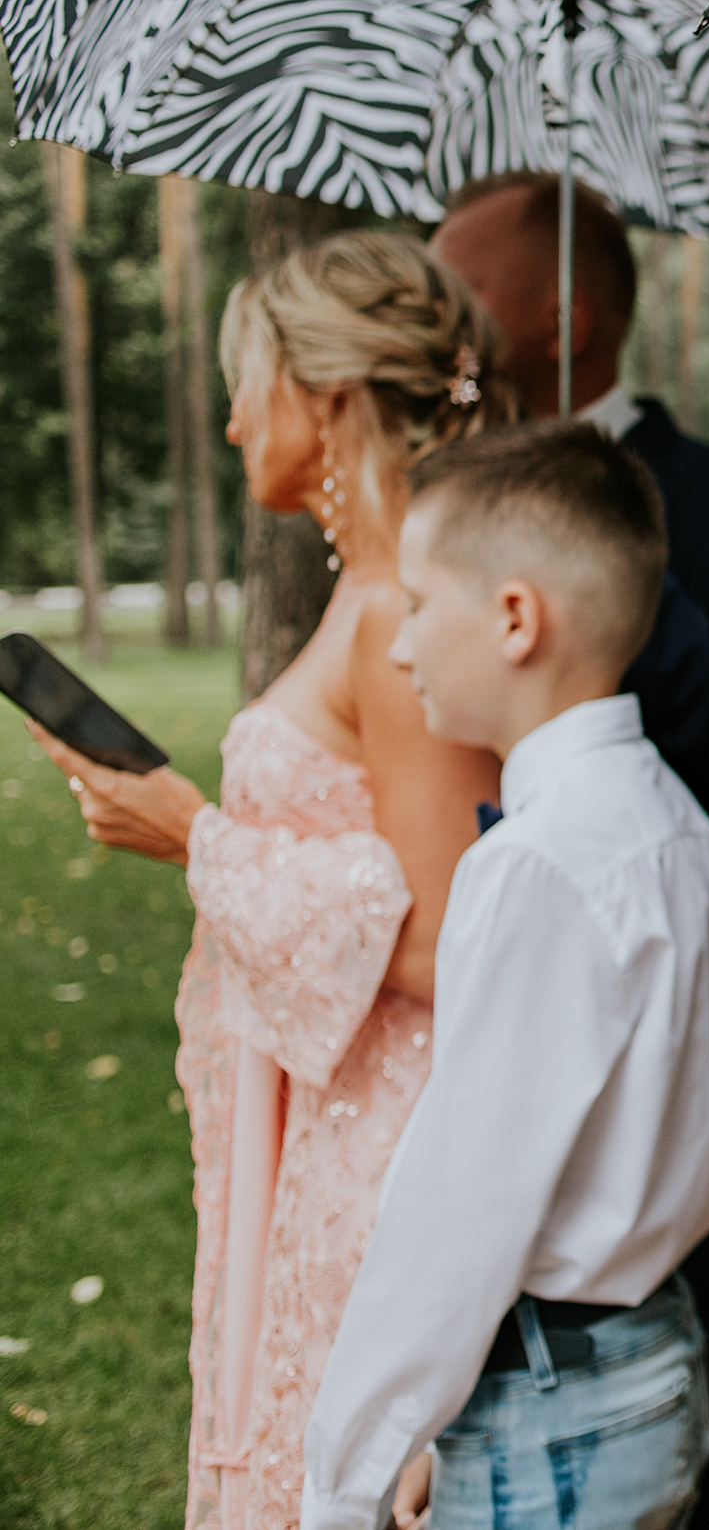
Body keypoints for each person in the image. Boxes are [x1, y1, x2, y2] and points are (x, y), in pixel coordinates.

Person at [28, 234, 514, 1530]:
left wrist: (193, 830)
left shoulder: (401, 609)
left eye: (251, 378)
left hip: (379, 1160)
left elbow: (442, 944)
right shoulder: (366, 589)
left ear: (326, 393)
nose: (236, 415)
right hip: (307, 1128)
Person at [429, 173, 709, 1530]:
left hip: (658, 1053)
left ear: (564, 315)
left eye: (462, 302)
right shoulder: (444, 507)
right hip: (466, 1006)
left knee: (702, 1456)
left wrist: (603, 559)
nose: (442, 335)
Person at [299, 421, 709, 1530]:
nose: (398, 648)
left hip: (556, 1411)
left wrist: (343, 1479)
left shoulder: (537, 865)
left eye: (415, 603)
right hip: (651, 1359)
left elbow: (459, 1209)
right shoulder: (686, 831)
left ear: (514, 618)